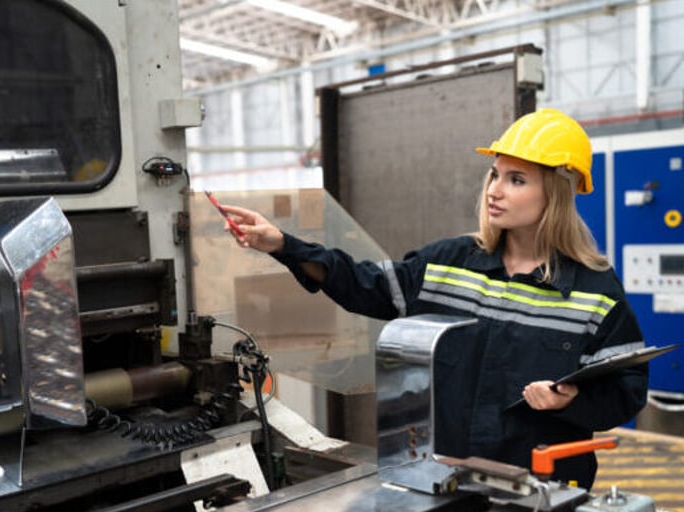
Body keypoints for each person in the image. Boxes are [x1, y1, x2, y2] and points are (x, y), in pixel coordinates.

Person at [218, 108, 648, 490]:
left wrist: (571, 400)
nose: (495, 190)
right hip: (447, 479)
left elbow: (627, 393)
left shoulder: (593, 291)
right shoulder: (450, 263)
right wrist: (283, 244)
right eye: (494, 175)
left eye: (516, 180)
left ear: (556, 193)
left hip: (542, 490)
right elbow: (364, 285)